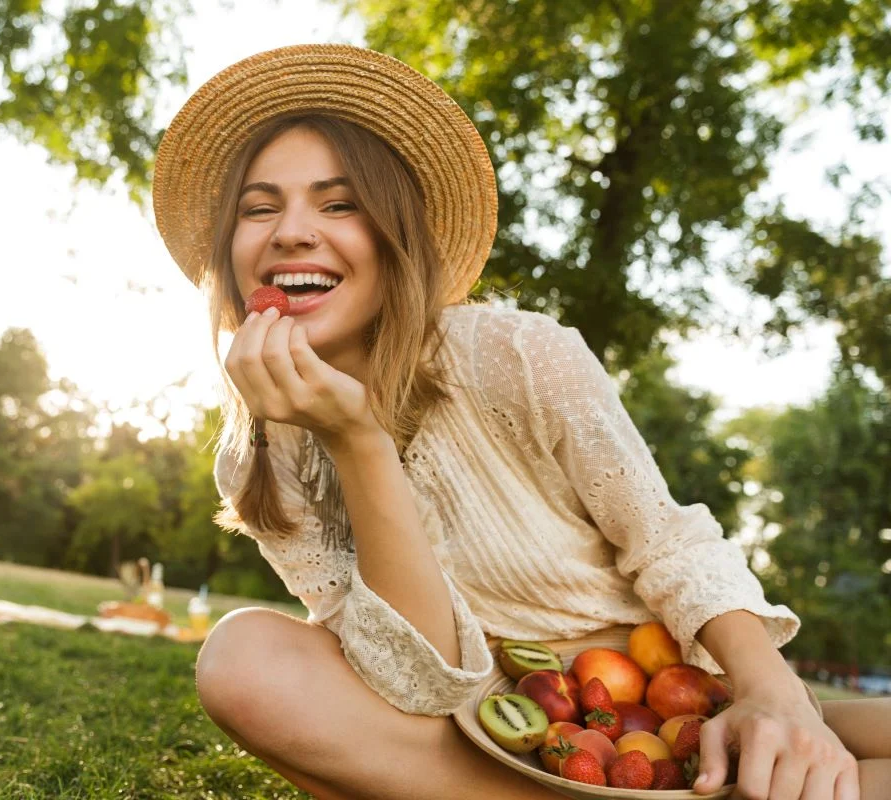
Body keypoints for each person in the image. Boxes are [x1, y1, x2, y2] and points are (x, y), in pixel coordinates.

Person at [150, 43, 890, 800]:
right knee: (243, 660)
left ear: (394, 237)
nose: (291, 232)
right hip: (472, 732)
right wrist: (355, 440)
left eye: (339, 204)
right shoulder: (261, 460)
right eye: (259, 207)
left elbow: (667, 539)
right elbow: (413, 680)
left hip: (656, 701)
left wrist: (772, 692)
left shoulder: (517, 354)